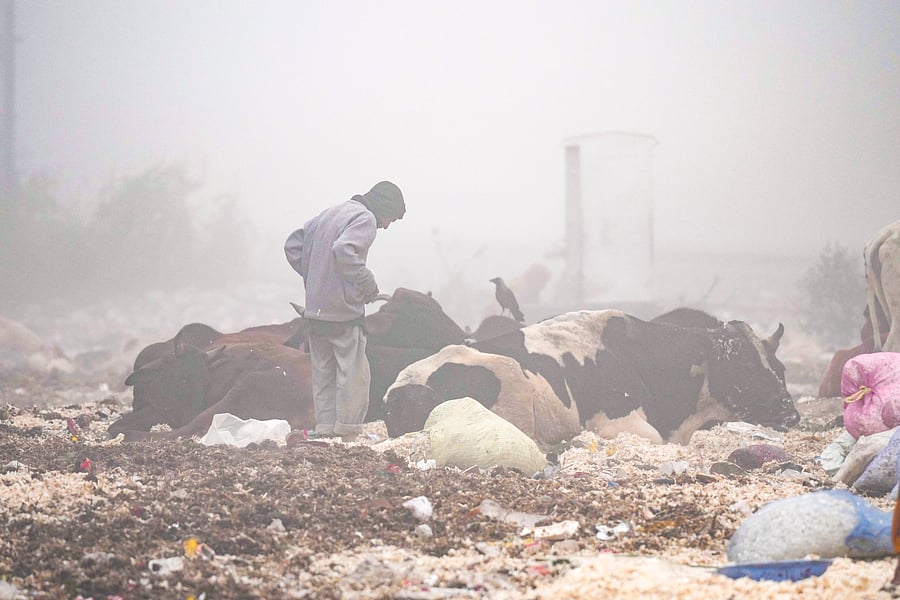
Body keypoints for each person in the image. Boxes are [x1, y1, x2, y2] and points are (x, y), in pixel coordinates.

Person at [284, 181, 405, 440]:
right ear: (384, 207)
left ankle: (326, 431)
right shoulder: (365, 218)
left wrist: (318, 276)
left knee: (324, 374)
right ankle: (348, 435)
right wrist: (367, 286)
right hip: (343, 313)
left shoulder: (330, 213)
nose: (385, 226)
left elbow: (293, 246)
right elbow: (344, 251)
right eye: (391, 219)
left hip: (315, 311)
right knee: (353, 376)